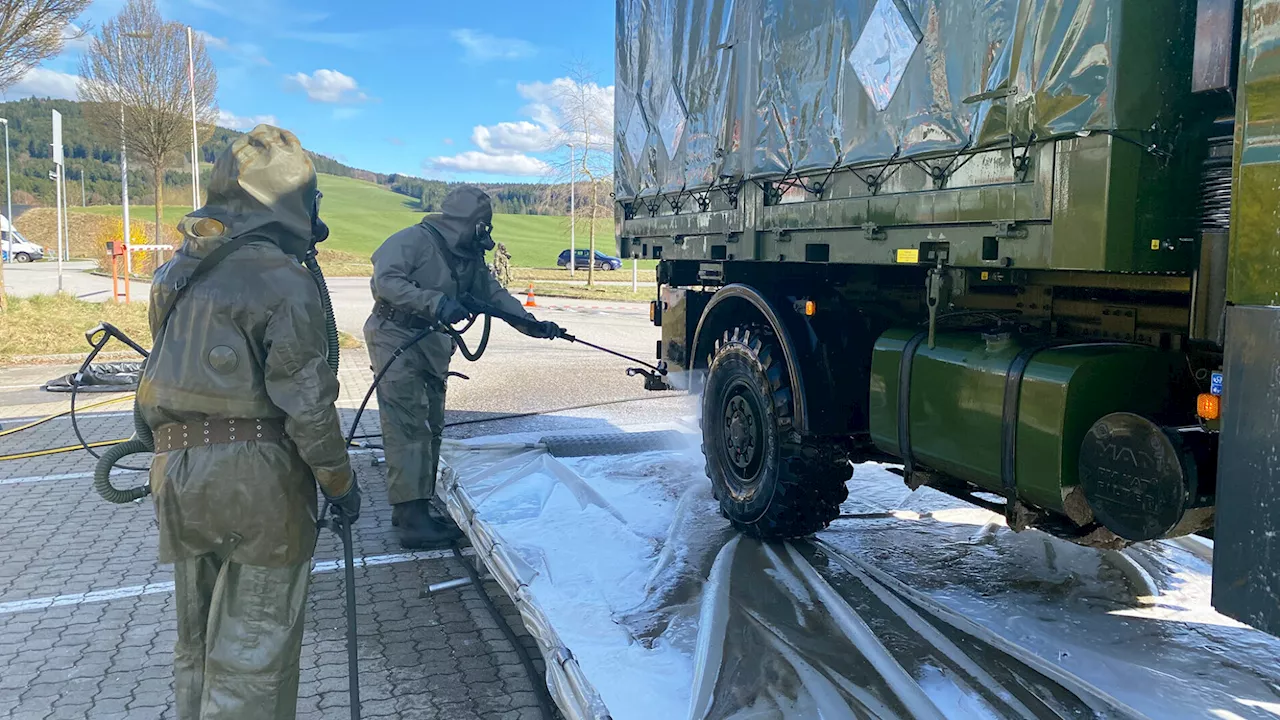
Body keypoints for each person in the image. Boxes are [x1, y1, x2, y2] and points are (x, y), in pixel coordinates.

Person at [137, 124, 359, 720]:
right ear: (292, 201)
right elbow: (307, 403)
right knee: (253, 655)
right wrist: (340, 482)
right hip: (259, 481)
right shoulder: (282, 278)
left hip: (179, 472)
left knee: (199, 649)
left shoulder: (176, 272)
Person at [364, 185, 562, 549]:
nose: (486, 231)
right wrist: (435, 303)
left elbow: (494, 296)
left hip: (432, 342)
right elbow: (386, 281)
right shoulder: (414, 240)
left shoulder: (469, 258)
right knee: (407, 423)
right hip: (395, 336)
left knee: (432, 424)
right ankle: (411, 519)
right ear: (470, 222)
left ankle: (414, 505)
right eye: (483, 223)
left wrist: (531, 323)